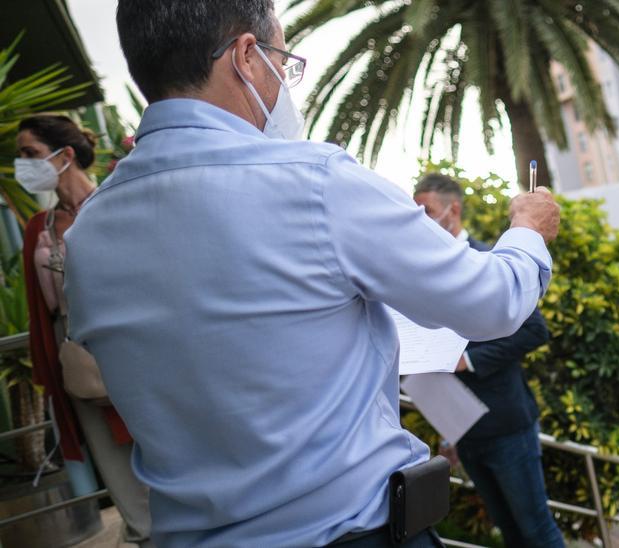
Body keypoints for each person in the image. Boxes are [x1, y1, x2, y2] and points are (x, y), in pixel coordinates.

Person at [63, 2, 560, 546]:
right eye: (283, 59)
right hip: (352, 533)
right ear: (248, 57)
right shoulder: (315, 184)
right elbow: (492, 302)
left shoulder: (86, 235)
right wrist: (528, 231)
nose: (285, 83)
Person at [16, 115, 153, 546]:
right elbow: (43, 311)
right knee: (116, 467)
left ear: (65, 155)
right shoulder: (40, 228)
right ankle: (145, 536)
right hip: (78, 361)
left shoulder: (117, 201)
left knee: (162, 447)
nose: (22, 164)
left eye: (30, 154)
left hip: (135, 351)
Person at [414, 174, 564, 547]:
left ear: (454, 210)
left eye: (427, 210)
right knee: (508, 532)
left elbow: (535, 331)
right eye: (414, 211)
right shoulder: (424, 275)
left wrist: (468, 360)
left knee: (536, 529)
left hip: (507, 424)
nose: (420, 219)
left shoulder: (489, 260)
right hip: (464, 430)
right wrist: (449, 434)